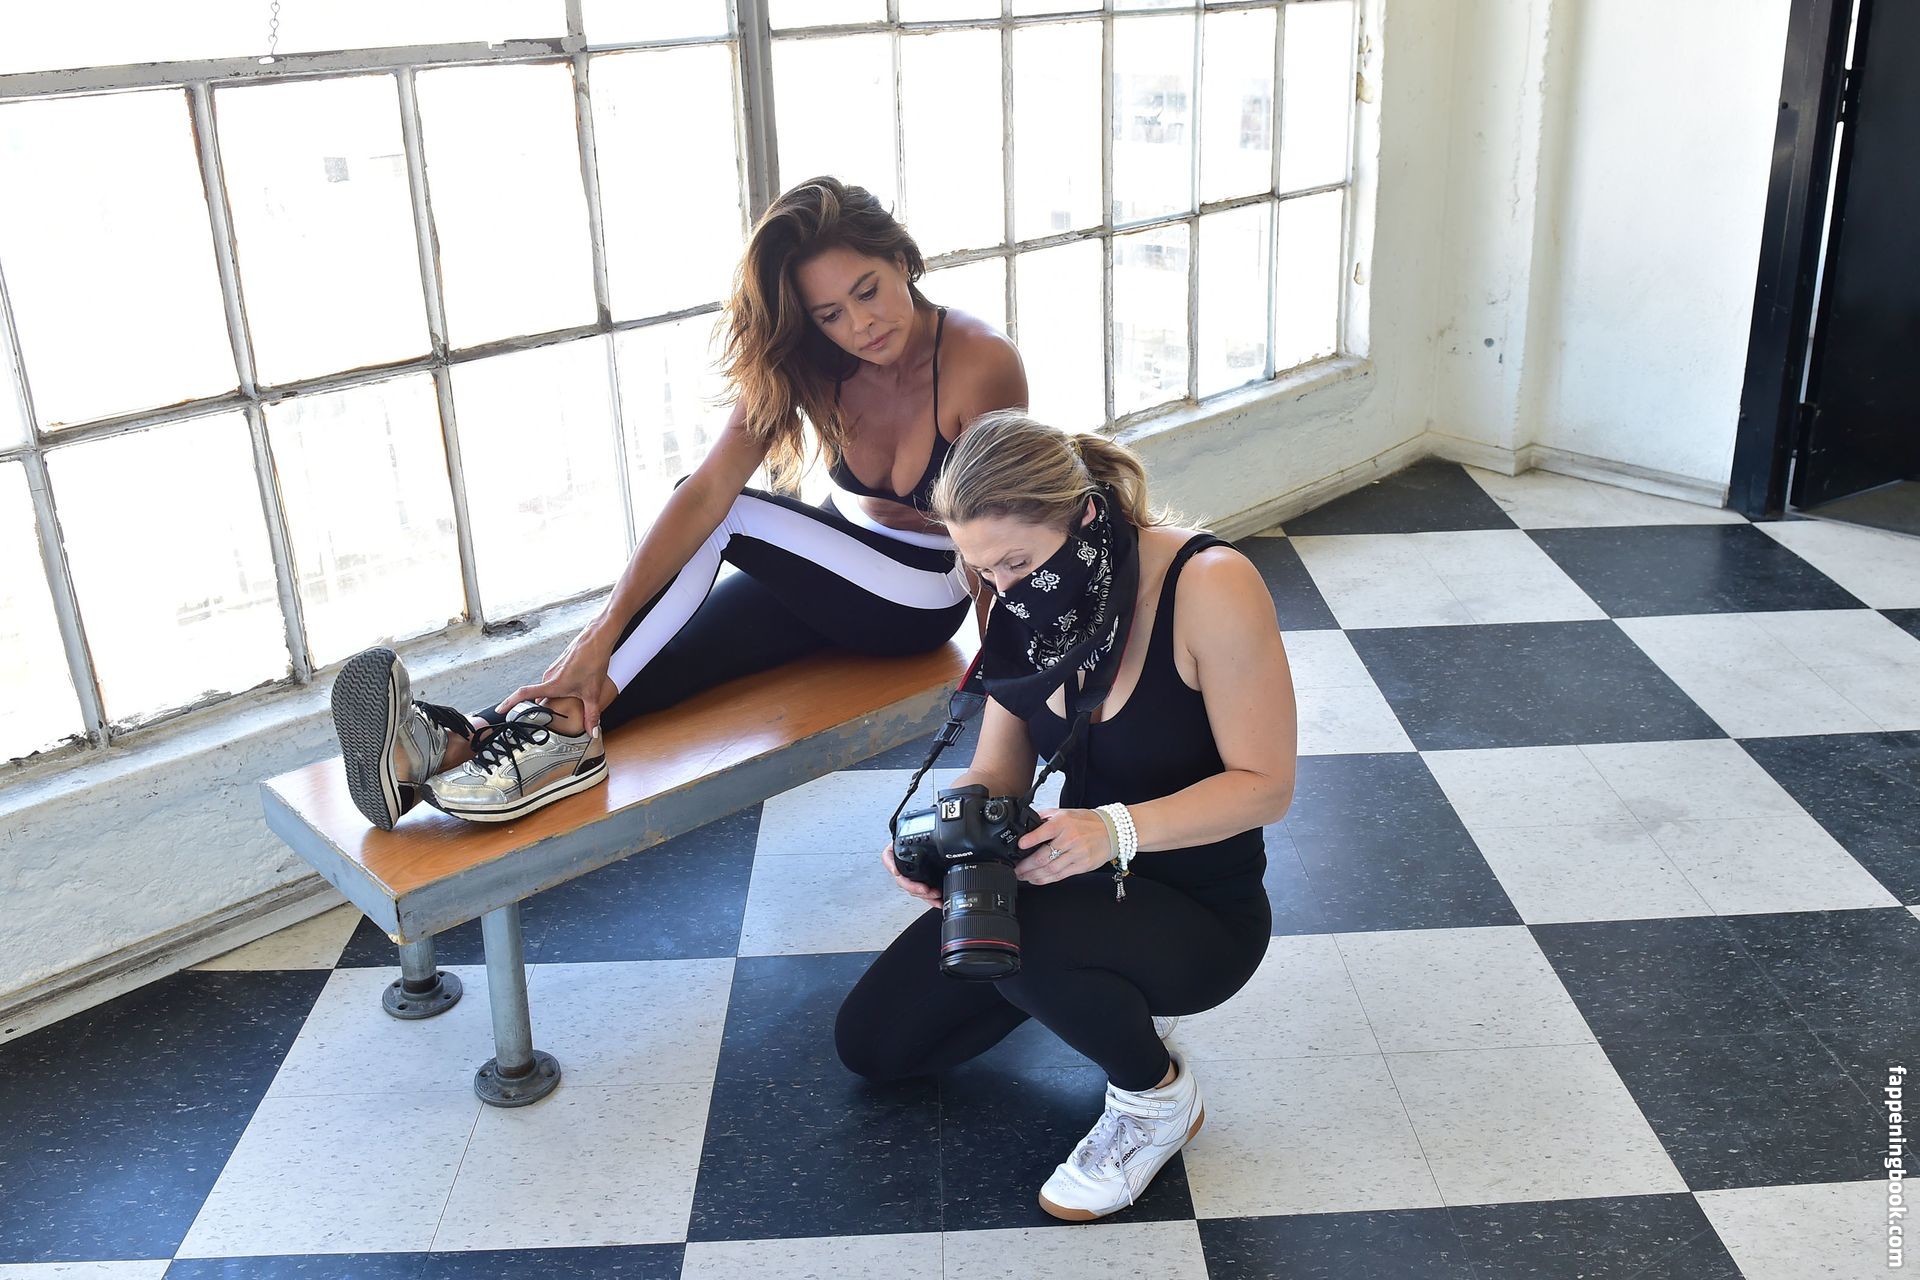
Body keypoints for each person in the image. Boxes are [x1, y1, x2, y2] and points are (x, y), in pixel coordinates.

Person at [328, 176, 1026, 829]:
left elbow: (1003, 536)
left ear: (900, 258)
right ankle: (449, 745)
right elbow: (704, 488)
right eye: (831, 315)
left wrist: (1008, 698)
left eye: (868, 291)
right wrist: (600, 634)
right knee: (668, 654)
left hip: (922, 592)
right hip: (836, 573)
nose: (861, 325)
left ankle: (560, 741)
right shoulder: (812, 359)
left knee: (729, 521)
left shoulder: (979, 361)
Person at [833, 410, 1297, 1221]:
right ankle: (1074, 985)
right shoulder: (1017, 599)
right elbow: (998, 771)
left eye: (1017, 562)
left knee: (1019, 940)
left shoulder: (1209, 584)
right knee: (875, 1044)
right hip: (1071, 881)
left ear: (1084, 515)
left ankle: (1154, 1100)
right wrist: (948, 845)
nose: (1004, 590)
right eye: (983, 571)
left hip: (1201, 916)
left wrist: (1114, 829)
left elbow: (1266, 786)